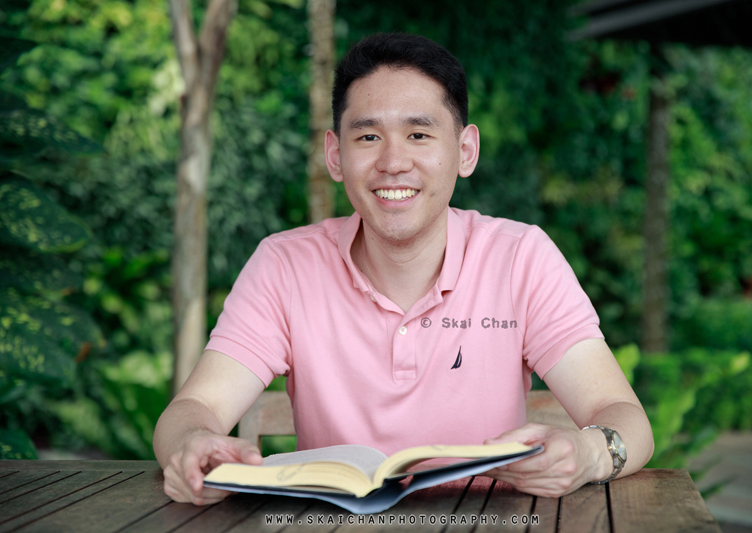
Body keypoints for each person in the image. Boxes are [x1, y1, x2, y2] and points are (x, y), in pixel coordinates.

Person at [154, 32, 654, 506]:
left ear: (465, 151)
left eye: (418, 133)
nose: (393, 162)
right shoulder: (285, 265)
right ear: (335, 155)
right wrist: (192, 445)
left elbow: (625, 419)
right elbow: (192, 411)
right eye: (368, 136)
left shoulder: (520, 257)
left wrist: (588, 454)